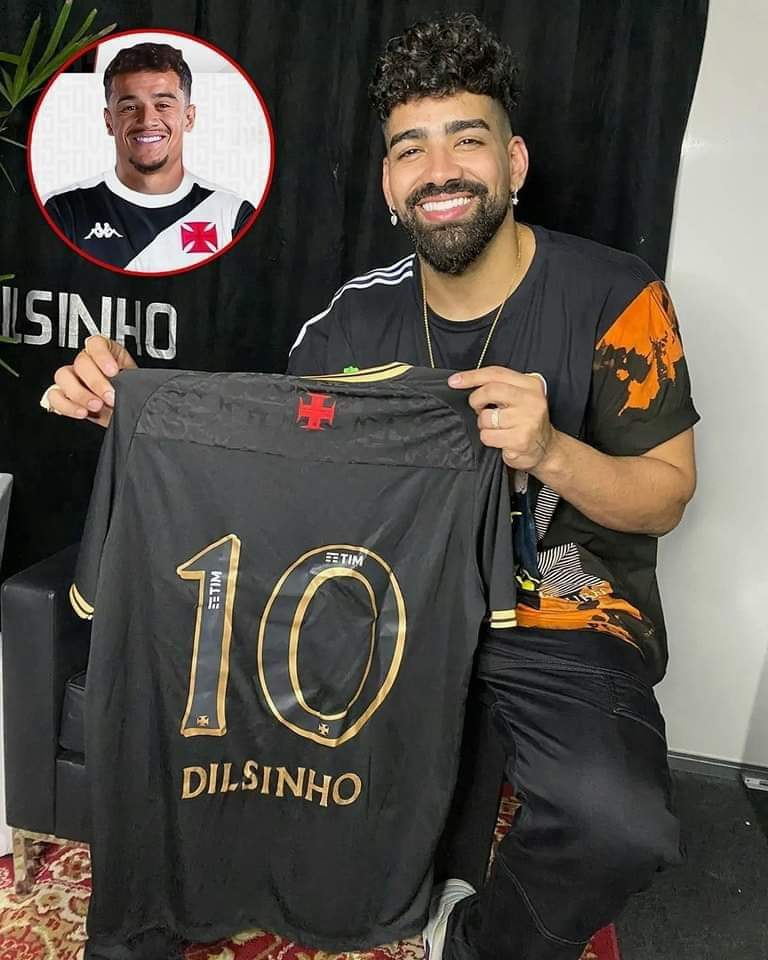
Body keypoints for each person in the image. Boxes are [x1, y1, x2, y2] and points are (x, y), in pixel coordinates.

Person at [41, 13, 698, 960]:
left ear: (514, 162)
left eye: (467, 139)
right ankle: (191, 903)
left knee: (621, 824)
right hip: (386, 606)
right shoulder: (347, 328)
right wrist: (144, 417)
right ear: (389, 183)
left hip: (557, 612)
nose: (440, 170)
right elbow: (277, 483)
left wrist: (552, 450)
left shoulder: (615, 295)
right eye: (410, 148)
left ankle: (469, 940)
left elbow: (666, 495)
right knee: (202, 676)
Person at [41, 42, 255, 273]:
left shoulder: (232, 214)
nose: (147, 120)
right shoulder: (61, 211)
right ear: (109, 121)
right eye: (130, 107)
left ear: (189, 118)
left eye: (163, 105)